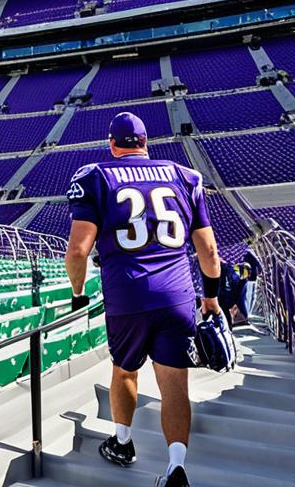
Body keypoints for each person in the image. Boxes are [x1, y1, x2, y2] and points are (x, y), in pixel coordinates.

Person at [64, 112, 223, 487]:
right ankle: (177, 466)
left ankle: (122, 442)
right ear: (146, 143)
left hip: (127, 294)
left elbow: (77, 252)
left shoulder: (94, 176)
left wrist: (77, 294)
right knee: (174, 384)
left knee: (124, 370)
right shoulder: (186, 177)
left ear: (111, 144)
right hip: (177, 294)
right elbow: (210, 251)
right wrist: (211, 299)